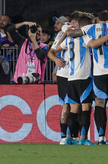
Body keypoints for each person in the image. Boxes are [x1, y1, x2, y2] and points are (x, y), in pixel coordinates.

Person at [68, 10, 108, 145]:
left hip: (99, 73)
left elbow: (73, 34)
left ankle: (101, 137)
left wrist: (68, 30)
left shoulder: (89, 28)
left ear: (98, 20)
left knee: (100, 103)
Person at [56, 13, 96, 145]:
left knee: (73, 110)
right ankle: (83, 139)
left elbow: (57, 48)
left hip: (71, 78)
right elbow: (94, 45)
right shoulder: (85, 36)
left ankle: (68, 138)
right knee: (85, 109)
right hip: (84, 77)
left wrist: (65, 34)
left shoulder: (69, 39)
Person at [47, 14, 72, 145]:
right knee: (66, 107)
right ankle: (63, 136)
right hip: (64, 74)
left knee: (76, 107)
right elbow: (50, 52)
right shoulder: (59, 36)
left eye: (58, 23)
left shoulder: (75, 33)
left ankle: (73, 136)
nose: (56, 26)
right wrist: (56, 59)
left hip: (77, 74)